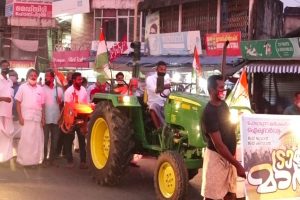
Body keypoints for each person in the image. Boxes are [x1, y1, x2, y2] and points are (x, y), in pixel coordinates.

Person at [201, 75, 246, 200]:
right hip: (217, 159)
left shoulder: (223, 105)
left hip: (229, 158)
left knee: (231, 194)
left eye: (224, 87)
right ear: (211, 90)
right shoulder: (209, 112)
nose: (224, 90)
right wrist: (238, 165)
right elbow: (219, 146)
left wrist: (240, 121)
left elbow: (227, 126)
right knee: (212, 196)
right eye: (221, 87)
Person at [15, 68, 45, 166]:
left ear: (37, 77)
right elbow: (18, 102)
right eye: (31, 75)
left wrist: (43, 118)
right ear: (28, 76)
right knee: (26, 139)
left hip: (37, 118)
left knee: (36, 140)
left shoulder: (40, 88)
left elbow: (42, 105)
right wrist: (20, 117)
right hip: (26, 118)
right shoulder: (22, 87)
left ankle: (35, 161)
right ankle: (23, 160)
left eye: (35, 75)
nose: (33, 77)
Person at [64, 72, 88, 169]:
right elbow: (67, 106)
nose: (80, 81)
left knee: (82, 140)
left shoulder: (83, 90)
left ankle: (83, 161)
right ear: (73, 80)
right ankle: (69, 160)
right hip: (71, 117)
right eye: (78, 79)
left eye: (81, 79)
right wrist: (69, 121)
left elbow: (86, 103)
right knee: (69, 139)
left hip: (81, 117)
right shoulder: (68, 91)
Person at [42, 69, 63, 166]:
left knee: (55, 140)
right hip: (45, 118)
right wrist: (42, 118)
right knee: (45, 140)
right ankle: (44, 159)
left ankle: (52, 159)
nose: (47, 78)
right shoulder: (41, 89)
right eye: (46, 76)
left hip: (56, 118)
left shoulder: (58, 90)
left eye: (48, 76)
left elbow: (62, 105)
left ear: (53, 78)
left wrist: (60, 101)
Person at [145, 61, 171, 129]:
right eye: (161, 69)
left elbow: (168, 92)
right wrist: (165, 86)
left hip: (165, 102)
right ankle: (160, 129)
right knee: (154, 107)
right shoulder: (150, 79)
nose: (163, 71)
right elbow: (155, 90)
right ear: (156, 69)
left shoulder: (167, 77)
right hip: (154, 101)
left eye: (164, 70)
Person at [0, 60, 14, 163]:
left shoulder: (10, 81)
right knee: (1, 135)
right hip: (0, 112)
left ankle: (7, 157)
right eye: (3, 66)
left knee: (8, 134)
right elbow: (6, 97)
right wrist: (4, 99)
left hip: (8, 113)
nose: (6, 68)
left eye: (7, 66)